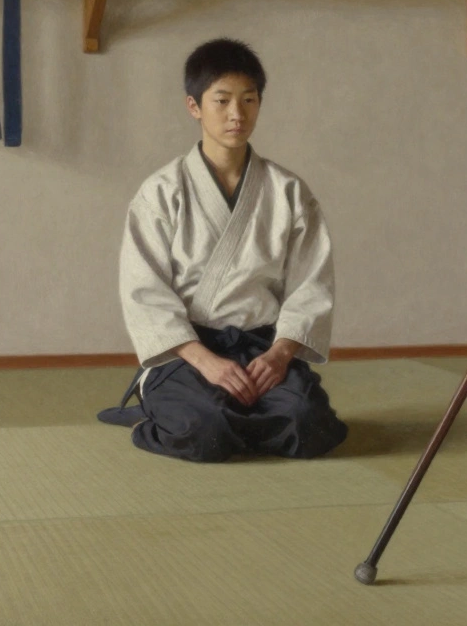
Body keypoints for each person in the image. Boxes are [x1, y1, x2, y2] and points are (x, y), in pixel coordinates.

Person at [105, 38, 347, 463]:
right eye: (222, 101)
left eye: (249, 100)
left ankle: (231, 415)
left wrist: (279, 355)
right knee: (205, 431)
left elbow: (311, 284)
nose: (237, 114)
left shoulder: (288, 191)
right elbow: (144, 291)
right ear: (194, 106)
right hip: (188, 351)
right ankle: (162, 411)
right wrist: (205, 361)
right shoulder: (161, 192)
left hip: (261, 349)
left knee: (309, 425)